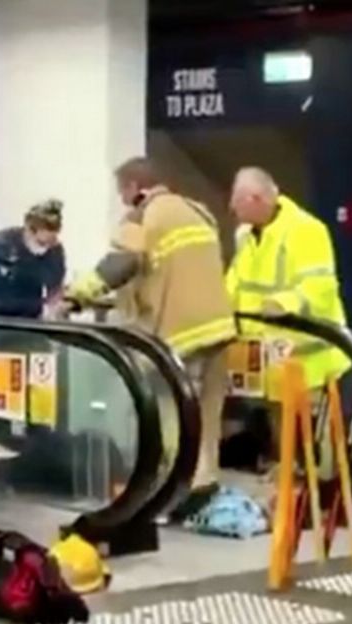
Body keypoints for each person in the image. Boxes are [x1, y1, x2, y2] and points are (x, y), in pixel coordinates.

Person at [65, 157, 237, 518]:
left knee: (171, 414)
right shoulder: (199, 211)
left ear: (133, 186)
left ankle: (170, 493)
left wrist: (76, 295)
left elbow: (122, 264)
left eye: (121, 191)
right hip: (219, 328)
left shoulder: (142, 217)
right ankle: (203, 485)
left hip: (180, 334)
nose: (122, 199)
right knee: (206, 413)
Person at [225, 167, 352, 474]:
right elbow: (236, 281)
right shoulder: (245, 236)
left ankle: (326, 485)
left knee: (317, 433)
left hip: (311, 357)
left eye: (237, 200)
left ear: (256, 199)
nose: (232, 208)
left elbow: (319, 285)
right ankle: (287, 475)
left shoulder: (306, 230)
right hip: (269, 355)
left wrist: (283, 304)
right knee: (279, 421)